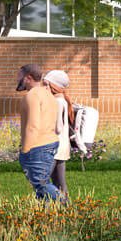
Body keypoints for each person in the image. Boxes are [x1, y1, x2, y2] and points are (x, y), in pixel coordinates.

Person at [15, 64, 63, 201]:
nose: (18, 80)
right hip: (49, 142)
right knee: (41, 184)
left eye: (20, 77)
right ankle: (44, 214)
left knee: (41, 184)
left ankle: (66, 205)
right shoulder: (47, 94)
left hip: (37, 146)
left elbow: (32, 125)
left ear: (28, 78)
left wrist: (25, 150)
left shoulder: (32, 95)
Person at [43, 69, 77, 198]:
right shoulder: (63, 100)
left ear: (55, 86)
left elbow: (58, 128)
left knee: (42, 182)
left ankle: (42, 210)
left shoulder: (56, 102)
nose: (44, 87)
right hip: (62, 147)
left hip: (53, 147)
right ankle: (66, 208)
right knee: (60, 182)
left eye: (47, 84)